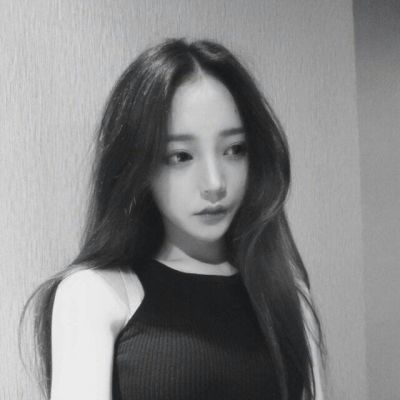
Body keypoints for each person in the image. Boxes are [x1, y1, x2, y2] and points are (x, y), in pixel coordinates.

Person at [19, 38, 326, 400]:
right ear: (139, 165)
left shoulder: (288, 298)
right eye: (181, 156)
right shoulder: (97, 294)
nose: (215, 183)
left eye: (234, 150)